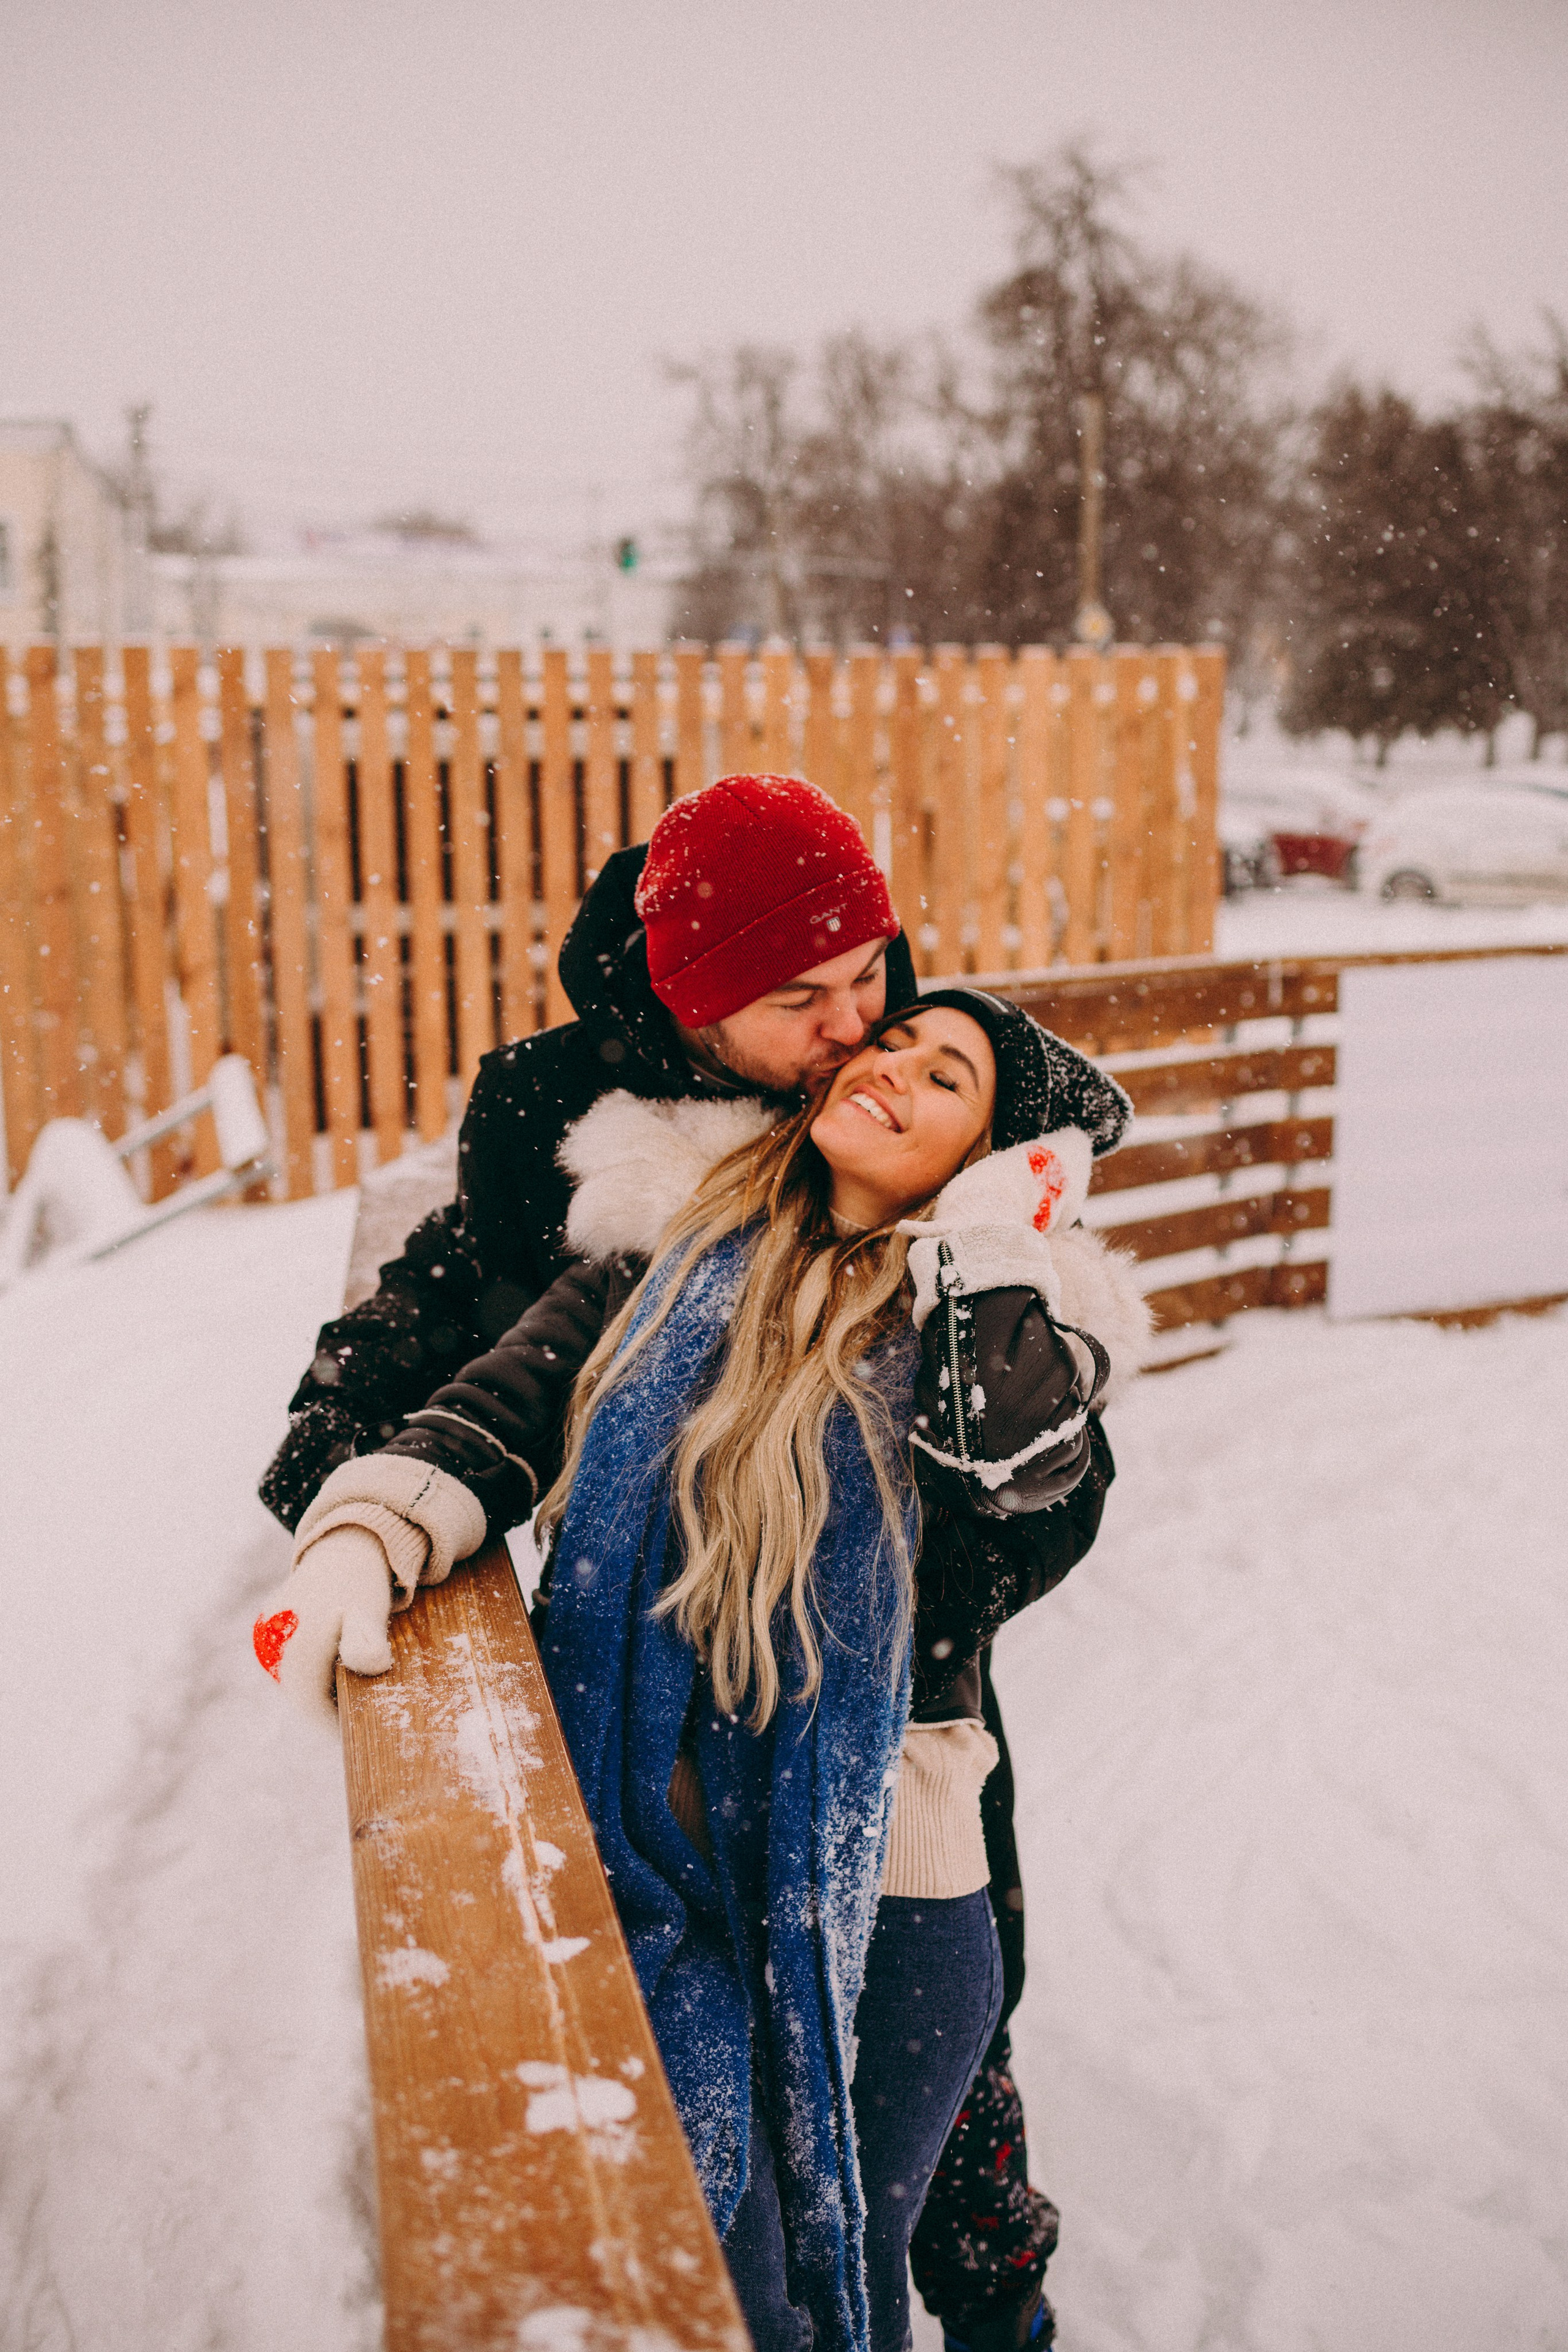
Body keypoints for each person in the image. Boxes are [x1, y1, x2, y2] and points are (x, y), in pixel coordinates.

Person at [257, 773, 1140, 2348]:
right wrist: (354, 1487)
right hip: (663, 1704)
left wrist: (945, 1571)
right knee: (722, 2156)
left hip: (892, 1716)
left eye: (873, 974)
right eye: (803, 998)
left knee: (930, 2104)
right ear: (693, 1003)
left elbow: (1037, 1479)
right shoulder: (592, 1145)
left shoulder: (950, 1204)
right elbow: (487, 1330)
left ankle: (1004, 2312)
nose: (857, 1024)